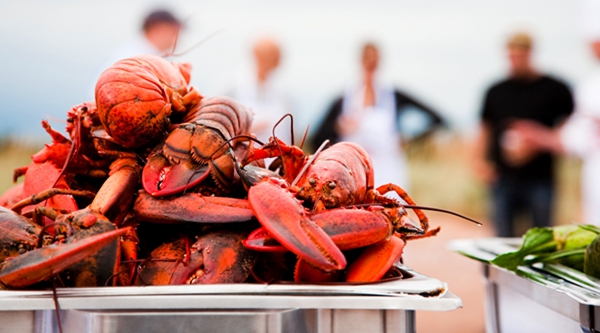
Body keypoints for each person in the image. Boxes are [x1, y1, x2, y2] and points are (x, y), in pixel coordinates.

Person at [473, 32, 574, 237]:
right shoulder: (496, 91)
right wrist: (479, 161)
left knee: (542, 237)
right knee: (502, 238)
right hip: (503, 176)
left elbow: (570, 126)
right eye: (512, 55)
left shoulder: (555, 89)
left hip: (541, 177)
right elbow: (485, 128)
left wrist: (538, 142)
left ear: (530, 53)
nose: (515, 60)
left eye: (520, 54)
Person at [311, 42, 443, 189]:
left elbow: (437, 119)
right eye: (367, 59)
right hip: (353, 176)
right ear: (360, 60)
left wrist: (409, 139)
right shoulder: (342, 101)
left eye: (374, 59)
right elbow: (317, 138)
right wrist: (337, 129)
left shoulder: (395, 96)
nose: (370, 64)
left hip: (389, 173)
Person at [229, 37, 292, 143]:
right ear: (259, 56)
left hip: (279, 158)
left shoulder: (283, 93)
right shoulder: (230, 88)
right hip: (239, 157)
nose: (279, 60)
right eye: (274, 55)